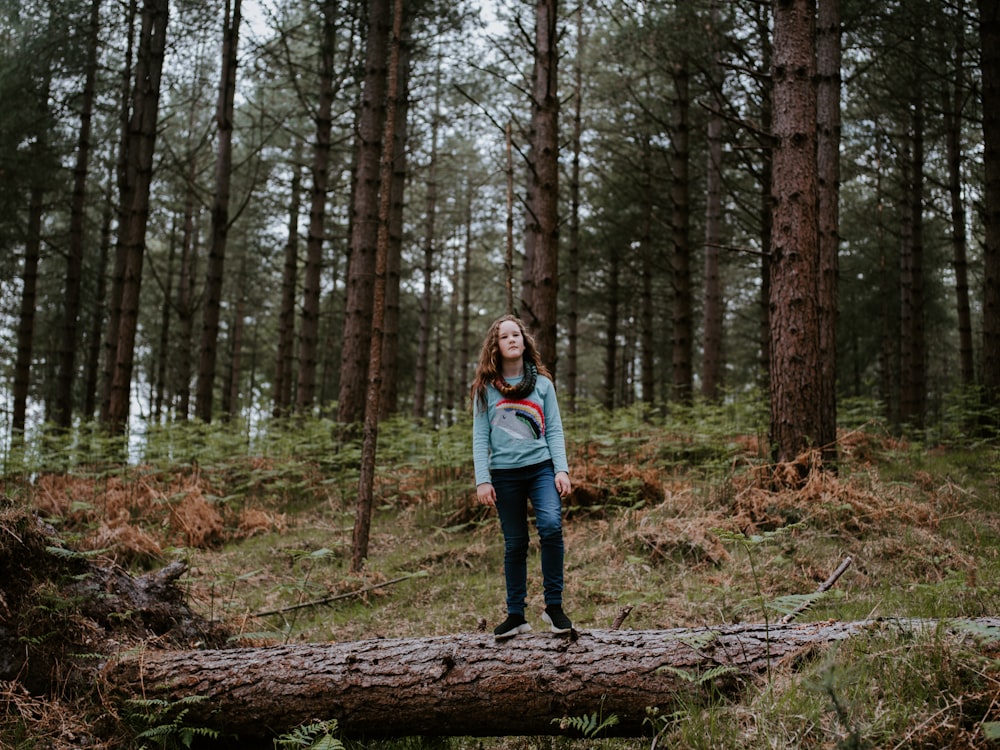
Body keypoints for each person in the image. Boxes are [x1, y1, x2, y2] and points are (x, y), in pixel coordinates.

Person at [470, 314, 573, 639]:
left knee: (551, 527)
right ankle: (516, 615)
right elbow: (479, 437)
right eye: (505, 336)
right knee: (515, 543)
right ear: (495, 346)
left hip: (541, 469)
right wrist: (482, 479)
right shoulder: (486, 390)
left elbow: (554, 429)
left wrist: (561, 469)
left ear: (525, 342)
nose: (512, 339)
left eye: (517, 334)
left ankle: (554, 607)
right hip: (504, 475)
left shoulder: (542, 385)